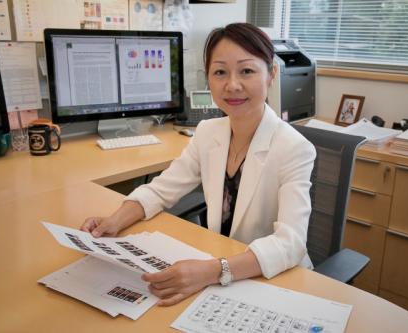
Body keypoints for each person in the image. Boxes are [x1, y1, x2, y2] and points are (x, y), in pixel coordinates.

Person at [81, 23, 316, 306]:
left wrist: (212, 271)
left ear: (271, 75)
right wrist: (113, 221)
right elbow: (160, 190)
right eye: (220, 72)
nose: (232, 85)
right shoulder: (208, 132)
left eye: (247, 71)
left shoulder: (294, 148)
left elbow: (291, 243)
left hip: (272, 279)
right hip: (219, 276)